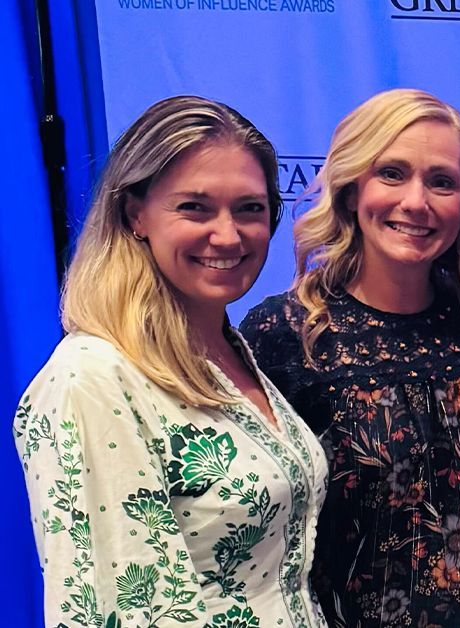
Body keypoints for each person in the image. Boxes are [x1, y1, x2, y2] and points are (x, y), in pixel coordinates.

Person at [13, 96, 328, 627]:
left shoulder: (228, 351)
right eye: (195, 207)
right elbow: (121, 609)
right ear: (136, 213)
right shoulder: (92, 377)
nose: (227, 235)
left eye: (249, 208)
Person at [240, 89, 460, 627]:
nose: (417, 201)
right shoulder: (285, 334)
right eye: (393, 173)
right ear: (352, 191)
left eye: (441, 181)